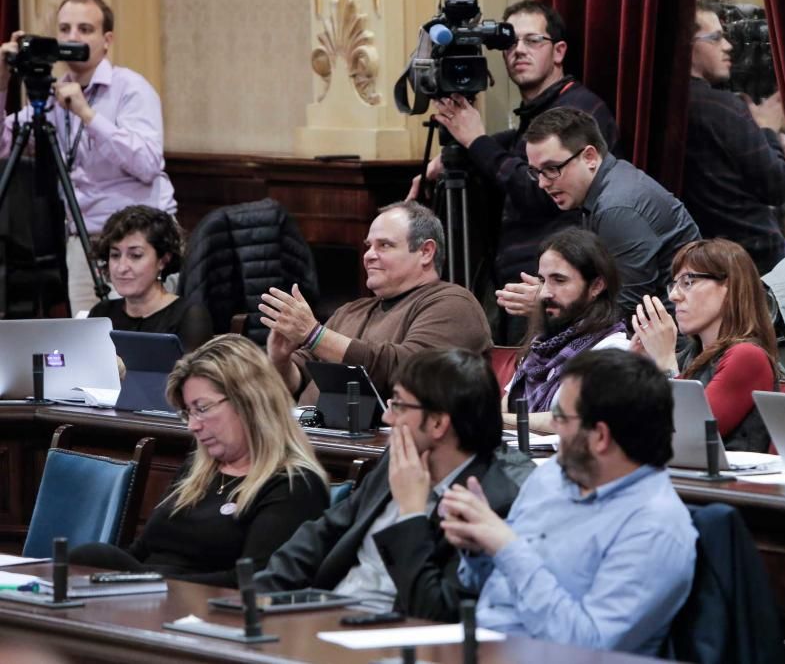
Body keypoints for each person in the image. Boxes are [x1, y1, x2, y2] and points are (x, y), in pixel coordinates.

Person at [440, 349, 697, 655]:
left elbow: (586, 647)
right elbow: (497, 589)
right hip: (478, 645)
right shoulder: (550, 478)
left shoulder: (655, 528)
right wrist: (479, 547)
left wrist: (507, 547)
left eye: (561, 417)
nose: (554, 426)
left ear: (600, 436)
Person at [255, 349, 535, 622]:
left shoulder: (496, 500)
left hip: (395, 636)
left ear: (438, 423)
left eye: (399, 405)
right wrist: (255, 595)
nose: (388, 418)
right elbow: (326, 531)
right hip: (329, 615)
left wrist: (410, 514)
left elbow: (433, 614)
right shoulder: (399, 459)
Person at [409, 0, 621, 345]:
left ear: (559, 51)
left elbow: (538, 190)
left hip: (553, 290)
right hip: (520, 282)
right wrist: (453, 155)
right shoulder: (537, 113)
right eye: (510, 42)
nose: (519, 50)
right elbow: (514, 151)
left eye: (533, 40)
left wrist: (475, 140)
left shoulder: (580, 110)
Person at [70, 334, 330, 587]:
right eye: (188, 412)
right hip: (146, 598)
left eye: (202, 409)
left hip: (204, 613)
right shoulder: (199, 467)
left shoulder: (295, 484)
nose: (193, 426)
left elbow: (252, 583)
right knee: (89, 560)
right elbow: (141, 550)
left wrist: (152, 585)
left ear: (248, 401)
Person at [0, 0, 177, 316]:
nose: (73, 38)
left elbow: (148, 164)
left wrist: (87, 114)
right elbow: (3, 144)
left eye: (85, 29)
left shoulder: (131, 90)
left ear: (106, 40)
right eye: (65, 29)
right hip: (83, 241)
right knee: (92, 342)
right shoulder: (52, 98)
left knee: (137, 343)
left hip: (140, 242)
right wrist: (2, 81)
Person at [260, 200, 492, 401]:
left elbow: (409, 372)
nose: (369, 255)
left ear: (426, 252)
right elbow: (298, 379)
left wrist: (315, 336)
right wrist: (281, 360)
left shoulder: (452, 304)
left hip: (391, 447)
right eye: (369, 246)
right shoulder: (350, 311)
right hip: (315, 440)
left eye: (385, 245)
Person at [523, 107, 701, 316]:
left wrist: (549, 301)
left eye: (552, 168)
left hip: (675, 339)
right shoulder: (609, 183)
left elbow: (624, 310)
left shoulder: (617, 208)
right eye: (536, 172)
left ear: (589, 157)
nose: (542, 183)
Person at [630, 238, 778, 452]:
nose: (673, 296)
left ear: (729, 286)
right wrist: (637, 366)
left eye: (688, 282)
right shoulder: (690, 356)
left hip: (730, 485)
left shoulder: (747, 356)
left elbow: (685, 438)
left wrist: (664, 361)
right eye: (675, 283)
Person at [681, 0, 785, 274]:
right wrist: (767, 128)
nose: (728, 46)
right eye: (716, 37)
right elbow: (777, 186)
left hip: (698, 258)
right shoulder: (722, 108)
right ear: (687, 44)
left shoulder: (659, 105)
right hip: (751, 260)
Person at [503, 227, 628, 432]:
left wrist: (499, 420)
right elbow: (506, 403)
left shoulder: (614, 349)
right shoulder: (543, 343)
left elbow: (573, 420)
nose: (545, 293)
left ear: (596, 286)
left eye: (559, 280)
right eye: (543, 280)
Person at [88, 205, 211, 351]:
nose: (121, 268)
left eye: (135, 256)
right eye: (115, 255)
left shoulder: (190, 316)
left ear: (163, 260)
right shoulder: (102, 313)